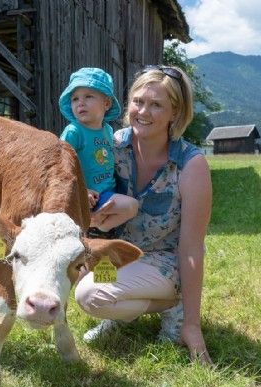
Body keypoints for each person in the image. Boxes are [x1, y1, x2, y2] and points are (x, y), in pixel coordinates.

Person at [74, 65, 213, 365]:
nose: (143, 111)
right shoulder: (109, 146)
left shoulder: (191, 165)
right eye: (138, 101)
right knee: (76, 272)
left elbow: (191, 248)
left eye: (156, 104)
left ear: (175, 112)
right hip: (117, 253)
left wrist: (193, 324)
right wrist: (87, 203)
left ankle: (175, 307)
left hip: (164, 261)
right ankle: (122, 309)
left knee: (90, 295)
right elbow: (82, 185)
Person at [58, 67, 138, 237]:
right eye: (74, 99)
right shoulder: (74, 131)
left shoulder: (108, 131)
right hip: (83, 195)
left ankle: (96, 227)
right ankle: (97, 227)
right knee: (131, 206)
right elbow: (60, 165)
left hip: (106, 192)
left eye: (88, 96)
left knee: (131, 206)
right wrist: (82, 190)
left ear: (106, 103)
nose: (80, 103)